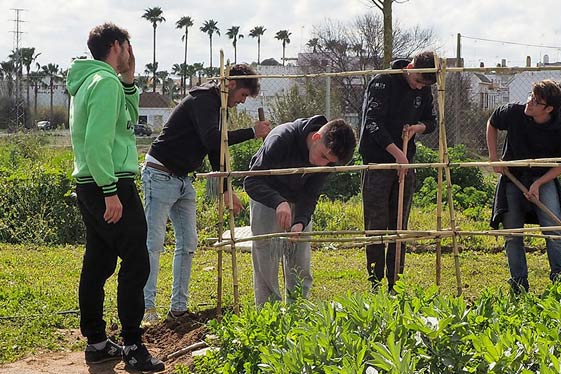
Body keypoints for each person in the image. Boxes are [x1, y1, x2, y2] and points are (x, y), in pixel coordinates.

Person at [67, 22, 164, 371]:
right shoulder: (105, 82)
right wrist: (111, 191)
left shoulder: (91, 82)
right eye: (128, 46)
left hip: (88, 183)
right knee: (136, 261)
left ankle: (96, 342)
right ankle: (133, 345)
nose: (130, 52)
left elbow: (126, 121)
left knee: (99, 260)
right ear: (117, 45)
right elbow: (98, 142)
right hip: (110, 183)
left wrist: (130, 80)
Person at [142, 64, 271, 323]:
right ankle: (147, 309)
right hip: (159, 174)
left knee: (188, 243)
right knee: (154, 243)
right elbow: (214, 140)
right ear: (232, 84)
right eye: (243, 95)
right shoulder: (204, 100)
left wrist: (225, 191)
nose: (241, 102)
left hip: (182, 179)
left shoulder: (219, 107)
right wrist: (252, 132)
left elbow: (216, 152)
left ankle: (178, 308)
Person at [243, 116, 356, 305]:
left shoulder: (327, 160)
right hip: (267, 198)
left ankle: (298, 309)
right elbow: (251, 181)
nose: (323, 164)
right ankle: (268, 313)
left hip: (298, 201)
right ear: (316, 138)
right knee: (267, 257)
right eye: (323, 157)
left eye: (329, 162)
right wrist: (279, 202)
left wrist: (300, 221)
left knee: (301, 259)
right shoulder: (281, 138)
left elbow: (311, 194)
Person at [358, 51, 437, 292]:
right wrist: (397, 154)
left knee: (399, 224)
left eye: (424, 84)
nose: (419, 87)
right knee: (376, 224)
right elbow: (372, 122)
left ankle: (396, 283)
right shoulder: (384, 81)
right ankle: (374, 281)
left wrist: (418, 128)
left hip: (405, 162)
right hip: (379, 161)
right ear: (410, 67)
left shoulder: (424, 88)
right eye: (418, 81)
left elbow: (432, 121)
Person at [487, 79, 561, 294]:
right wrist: (494, 158)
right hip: (512, 177)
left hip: (543, 178)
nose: (530, 103)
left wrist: (538, 183)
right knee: (513, 232)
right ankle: (519, 283)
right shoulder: (515, 113)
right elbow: (492, 123)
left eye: (536, 102)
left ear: (549, 109)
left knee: (553, 228)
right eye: (531, 96)